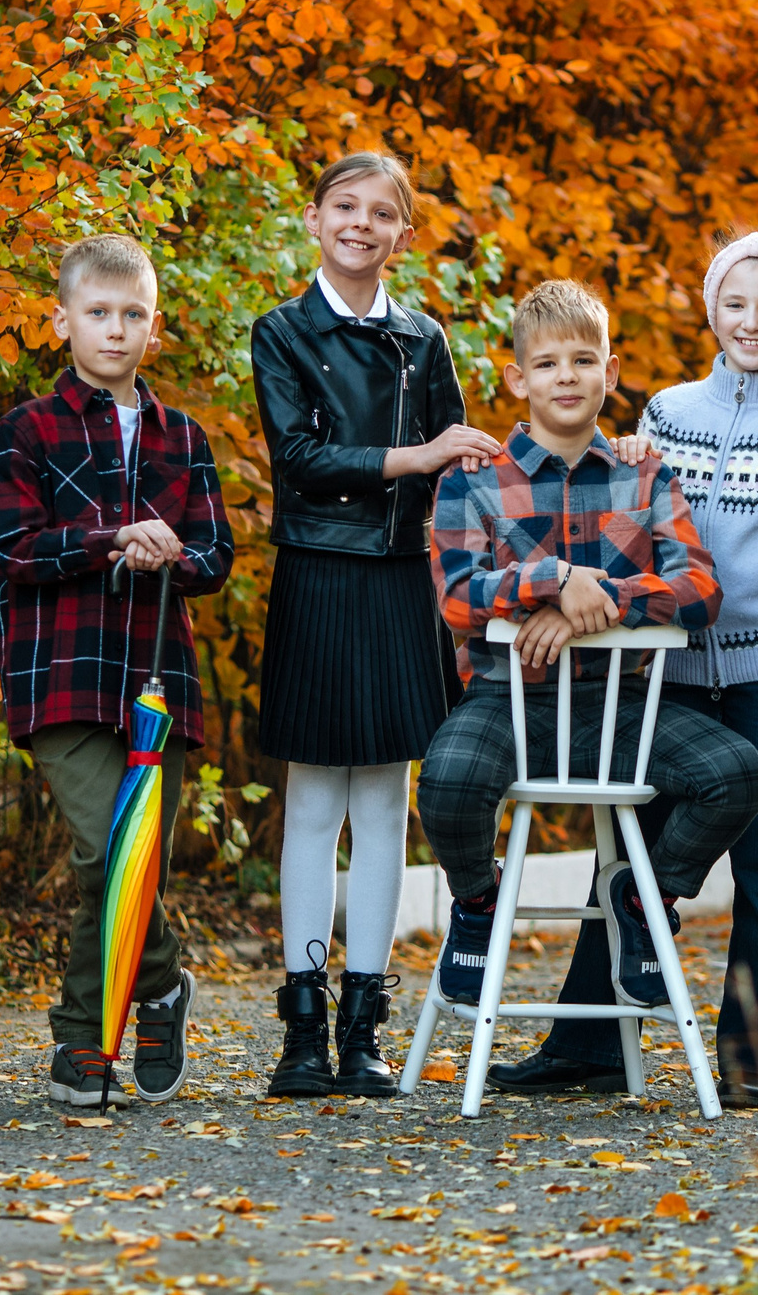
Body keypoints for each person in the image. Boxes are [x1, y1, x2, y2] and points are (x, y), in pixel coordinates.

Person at [492, 233, 758, 1108]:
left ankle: (752, 1056)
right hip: (670, 668)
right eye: (736, 303)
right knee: (626, 847)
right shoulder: (665, 413)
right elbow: (625, 531)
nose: (751, 321)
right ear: (712, 311)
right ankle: (588, 1041)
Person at [419, 279, 758, 1029]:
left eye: (584, 360)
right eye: (547, 364)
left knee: (738, 773)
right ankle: (477, 902)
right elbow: (456, 597)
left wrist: (593, 602)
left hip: (620, 708)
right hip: (505, 702)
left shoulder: (645, 474)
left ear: (610, 373)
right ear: (518, 379)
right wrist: (553, 579)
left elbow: (702, 591)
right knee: (446, 781)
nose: (567, 377)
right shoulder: (474, 479)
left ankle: (644, 899)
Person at [248, 152, 503, 1097]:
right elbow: (301, 458)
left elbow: (458, 468)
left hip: (401, 578)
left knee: (385, 809)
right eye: (345, 206)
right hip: (318, 570)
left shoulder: (424, 338)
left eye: (382, 212)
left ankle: (363, 1030)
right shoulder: (280, 331)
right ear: (315, 219)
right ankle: (302, 1035)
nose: (361, 223)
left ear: (403, 233)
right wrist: (416, 455)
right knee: (314, 805)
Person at [0, 232, 235, 1110]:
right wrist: (109, 540)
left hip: (157, 677)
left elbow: (215, 556)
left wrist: (171, 553)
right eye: (98, 312)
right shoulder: (28, 428)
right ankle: (148, 994)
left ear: (153, 328)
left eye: (133, 314)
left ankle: (90, 1043)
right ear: (63, 320)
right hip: (61, 670)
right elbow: (12, 549)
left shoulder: (183, 436)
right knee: (106, 851)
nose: (115, 329)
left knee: (139, 864)